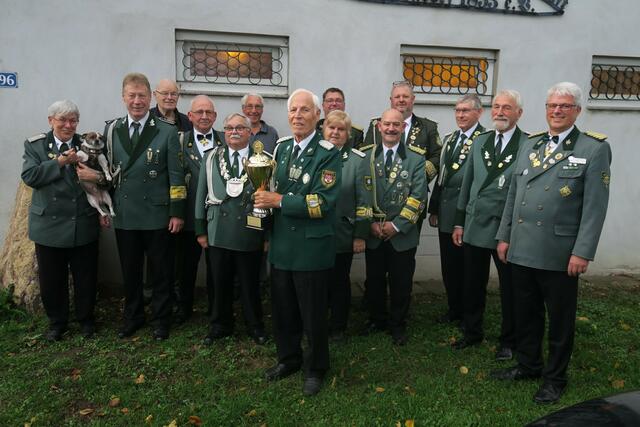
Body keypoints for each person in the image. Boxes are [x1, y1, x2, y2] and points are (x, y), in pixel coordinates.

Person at [491, 82, 611, 404]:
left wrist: (582, 251)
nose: (556, 111)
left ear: (577, 111)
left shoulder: (592, 149)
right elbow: (514, 195)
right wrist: (504, 236)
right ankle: (529, 364)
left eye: (564, 106)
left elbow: (595, 207)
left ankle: (555, 378)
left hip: (560, 252)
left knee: (559, 319)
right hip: (522, 247)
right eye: (552, 106)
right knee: (526, 313)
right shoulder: (531, 145)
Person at [254, 88, 341, 396]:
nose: (297, 116)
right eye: (293, 110)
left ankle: (316, 367)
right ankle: (288, 358)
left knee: (313, 314)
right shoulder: (282, 149)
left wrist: (278, 201)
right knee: (283, 310)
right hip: (281, 247)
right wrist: (261, 205)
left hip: (310, 249)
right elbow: (269, 187)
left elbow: (321, 204)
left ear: (317, 116)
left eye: (305, 110)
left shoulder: (329, 152)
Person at [104, 72, 186, 341]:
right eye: (132, 96)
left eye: (142, 95)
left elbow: (176, 175)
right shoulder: (112, 130)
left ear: (150, 97)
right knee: (130, 271)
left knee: (161, 271)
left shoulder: (166, 131)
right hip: (126, 213)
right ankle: (133, 316)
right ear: (123, 97)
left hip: (157, 214)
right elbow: (107, 173)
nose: (137, 101)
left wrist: (176, 212)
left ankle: (161, 320)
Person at [450, 90, 527, 362]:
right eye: (496, 106)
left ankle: (509, 340)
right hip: (474, 224)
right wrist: (459, 222)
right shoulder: (480, 141)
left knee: (510, 288)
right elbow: (467, 184)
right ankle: (471, 331)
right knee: (472, 284)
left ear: (519, 112)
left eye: (507, 107)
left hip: (504, 229)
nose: (500, 112)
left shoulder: (527, 144)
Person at [21, 100, 106, 341]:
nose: (68, 125)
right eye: (62, 120)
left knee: (86, 277)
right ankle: (57, 323)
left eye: (73, 120)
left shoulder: (89, 143)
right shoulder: (35, 145)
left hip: (82, 220)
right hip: (49, 224)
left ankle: (86, 319)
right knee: (52, 279)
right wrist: (59, 162)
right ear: (51, 121)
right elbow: (30, 176)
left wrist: (97, 178)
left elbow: (105, 175)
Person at [195, 113, 267, 346]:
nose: (233, 132)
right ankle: (219, 325)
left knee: (250, 284)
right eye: (228, 128)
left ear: (249, 132)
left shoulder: (263, 159)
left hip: (250, 230)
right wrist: (201, 229)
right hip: (219, 230)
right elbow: (201, 194)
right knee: (219, 283)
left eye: (239, 128)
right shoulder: (210, 157)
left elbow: (269, 198)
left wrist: (267, 234)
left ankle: (254, 326)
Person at [360, 108, 428, 346]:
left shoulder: (417, 159)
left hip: (402, 236)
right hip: (374, 233)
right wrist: (369, 224)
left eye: (396, 125)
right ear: (379, 126)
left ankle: (398, 325)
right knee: (375, 280)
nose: (391, 128)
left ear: (403, 128)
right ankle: (377, 320)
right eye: (387, 124)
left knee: (401, 282)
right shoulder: (365, 157)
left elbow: (418, 197)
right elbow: (361, 193)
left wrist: (396, 226)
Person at [427, 94, 485, 325]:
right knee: (450, 266)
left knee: (469, 268)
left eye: (466, 110)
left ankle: (470, 314)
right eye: (458, 110)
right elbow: (442, 177)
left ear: (478, 113)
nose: (460, 115)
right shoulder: (450, 139)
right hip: (447, 211)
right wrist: (434, 209)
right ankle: (454, 310)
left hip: (469, 214)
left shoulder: (485, 139)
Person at [322, 110, 371, 341]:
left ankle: (338, 327)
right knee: (316, 281)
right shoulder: (315, 156)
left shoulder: (357, 161)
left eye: (341, 129)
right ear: (323, 130)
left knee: (339, 281)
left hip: (342, 233)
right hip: (315, 233)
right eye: (331, 127)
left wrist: (360, 235)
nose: (335, 132)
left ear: (348, 134)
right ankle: (317, 321)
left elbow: (364, 201)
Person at [174, 95, 223, 324]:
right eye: (199, 112)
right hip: (189, 217)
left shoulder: (226, 140)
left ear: (215, 117)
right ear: (190, 116)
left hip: (218, 220)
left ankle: (216, 309)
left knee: (217, 269)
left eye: (209, 112)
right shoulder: (179, 141)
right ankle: (184, 308)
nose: (204, 116)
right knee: (185, 267)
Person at [363, 81, 441, 184]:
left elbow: (437, 156)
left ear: (413, 99)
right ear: (391, 100)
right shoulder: (376, 125)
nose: (401, 100)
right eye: (397, 97)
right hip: (380, 187)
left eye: (405, 96)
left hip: (414, 189)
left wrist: (418, 176)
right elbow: (365, 155)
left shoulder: (428, 127)